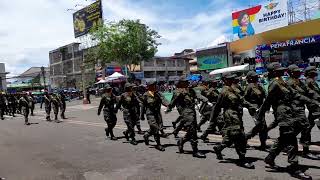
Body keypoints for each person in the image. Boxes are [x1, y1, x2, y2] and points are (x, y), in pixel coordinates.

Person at [257, 62, 312, 179]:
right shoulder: (274, 84)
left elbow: (294, 94)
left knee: (284, 138)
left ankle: (270, 158)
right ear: (274, 72)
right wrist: (260, 114)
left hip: (289, 112)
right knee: (291, 139)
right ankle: (294, 167)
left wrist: (310, 101)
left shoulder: (281, 81)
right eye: (280, 70)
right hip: (282, 113)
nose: (283, 71)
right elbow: (267, 101)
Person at [211, 73, 256, 169]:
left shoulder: (233, 89)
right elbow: (218, 106)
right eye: (229, 79)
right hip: (230, 114)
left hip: (236, 113)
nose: (232, 80)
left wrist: (251, 106)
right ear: (225, 80)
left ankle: (219, 148)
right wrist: (213, 119)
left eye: (232, 79)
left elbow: (242, 100)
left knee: (232, 135)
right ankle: (242, 159)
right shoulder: (224, 92)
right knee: (239, 135)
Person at [166, 77, 210, 158]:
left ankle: (181, 141)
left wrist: (205, 99)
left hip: (192, 111)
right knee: (192, 130)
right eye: (185, 82)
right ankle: (195, 151)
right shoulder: (177, 92)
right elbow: (173, 101)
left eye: (187, 82)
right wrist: (169, 108)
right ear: (181, 83)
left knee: (191, 130)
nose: (188, 83)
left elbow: (197, 95)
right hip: (185, 112)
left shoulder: (190, 90)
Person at [141, 81, 169, 151]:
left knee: (153, 129)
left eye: (155, 85)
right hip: (150, 114)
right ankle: (158, 144)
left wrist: (168, 105)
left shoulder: (159, 94)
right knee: (156, 128)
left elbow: (164, 100)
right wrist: (141, 115)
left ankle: (146, 135)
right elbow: (143, 106)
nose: (154, 87)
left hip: (157, 114)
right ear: (149, 87)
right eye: (152, 86)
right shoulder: (145, 95)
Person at [244, 71, 267, 150]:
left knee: (263, 126)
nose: (257, 78)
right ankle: (245, 138)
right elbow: (244, 99)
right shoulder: (249, 87)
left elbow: (265, 95)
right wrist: (251, 106)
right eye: (254, 77)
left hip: (261, 107)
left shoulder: (259, 86)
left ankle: (263, 144)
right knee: (260, 125)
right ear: (250, 78)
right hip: (254, 108)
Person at [304, 66, 320, 159]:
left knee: (308, 127)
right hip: (315, 108)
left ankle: (305, 149)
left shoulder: (310, 81)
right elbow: (314, 94)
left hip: (313, 108)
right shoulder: (310, 81)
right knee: (308, 128)